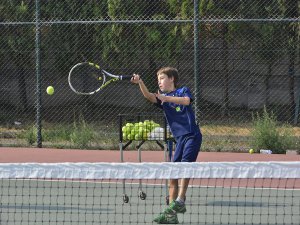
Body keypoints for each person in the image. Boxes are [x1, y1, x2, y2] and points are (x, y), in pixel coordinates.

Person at [131, 67, 202, 224]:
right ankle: (171, 214)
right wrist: (140, 83)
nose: (159, 82)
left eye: (162, 78)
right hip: (179, 139)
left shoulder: (183, 90)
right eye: (158, 79)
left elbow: (186, 101)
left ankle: (181, 200)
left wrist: (166, 98)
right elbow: (149, 96)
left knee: (185, 166)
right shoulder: (162, 98)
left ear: (171, 79)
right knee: (172, 174)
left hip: (192, 135)